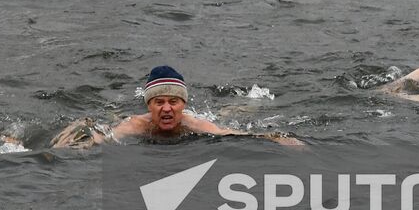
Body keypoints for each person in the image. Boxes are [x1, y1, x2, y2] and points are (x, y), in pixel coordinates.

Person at [51, 66, 303, 147]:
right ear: (149, 106)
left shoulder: (193, 123)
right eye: (159, 102)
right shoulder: (137, 124)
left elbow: (233, 134)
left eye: (173, 102)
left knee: (226, 116)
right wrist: (79, 143)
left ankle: (249, 101)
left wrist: (276, 139)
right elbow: (104, 138)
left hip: (205, 120)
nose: (167, 109)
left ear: (183, 104)